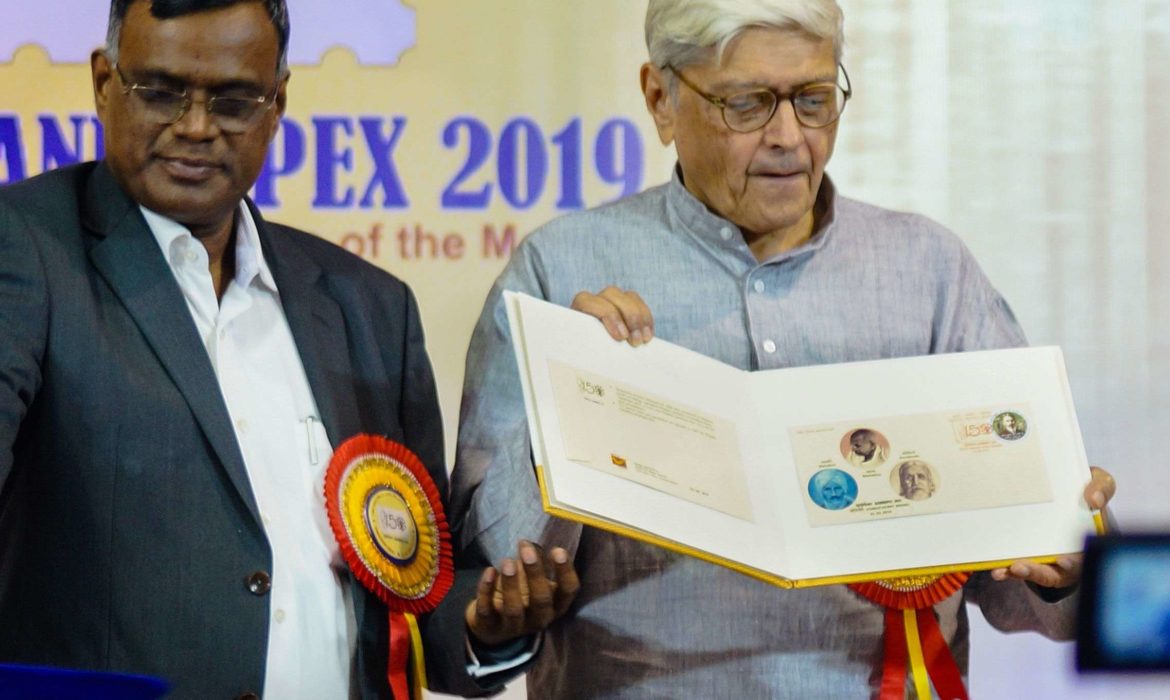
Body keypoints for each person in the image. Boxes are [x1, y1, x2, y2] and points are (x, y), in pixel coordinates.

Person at [450, 0, 1117, 696]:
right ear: (661, 98)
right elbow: (491, 571)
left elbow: (1034, 598)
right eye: (747, 104)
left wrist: (1066, 558)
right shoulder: (561, 271)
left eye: (814, 99)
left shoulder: (929, 272)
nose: (789, 137)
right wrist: (575, 389)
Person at [0, 2, 573, 698]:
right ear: (101, 82)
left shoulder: (369, 308)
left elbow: (417, 592)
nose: (196, 125)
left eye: (235, 100)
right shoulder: (25, 249)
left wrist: (486, 621)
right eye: (160, 90)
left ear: (278, 104)